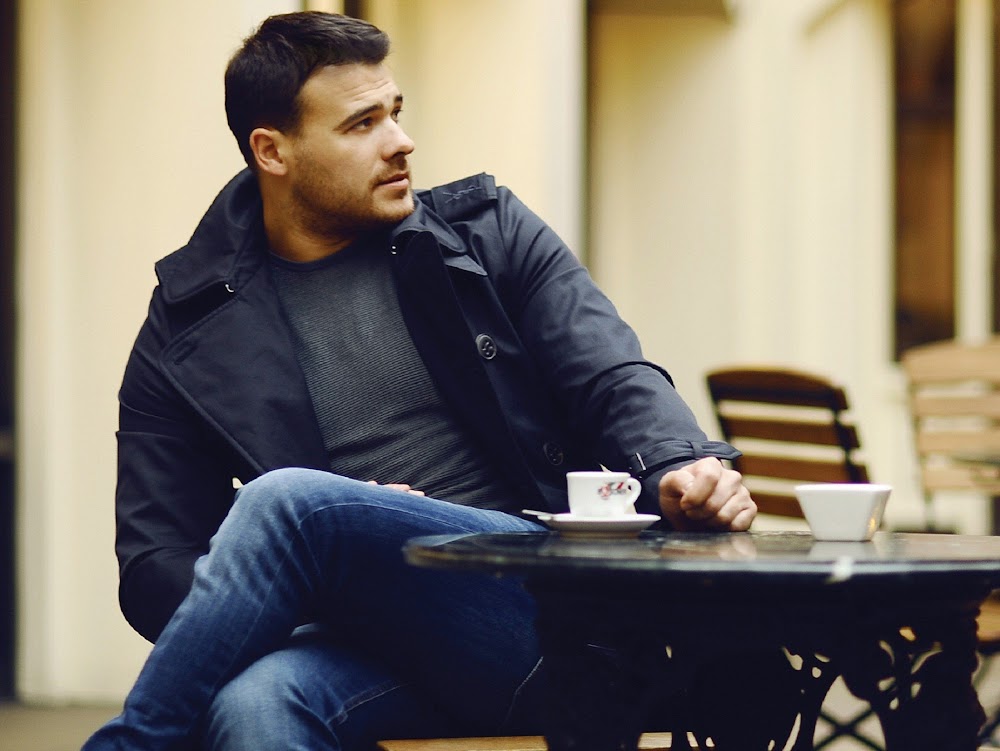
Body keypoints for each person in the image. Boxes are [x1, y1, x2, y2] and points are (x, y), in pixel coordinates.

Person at [83, 10, 755, 751]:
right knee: (255, 704)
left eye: (395, 113)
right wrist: (335, 559)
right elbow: (153, 563)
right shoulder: (189, 323)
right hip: (363, 642)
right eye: (362, 124)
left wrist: (677, 464)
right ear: (272, 151)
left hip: (546, 620)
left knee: (291, 502)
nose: (400, 141)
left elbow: (612, 374)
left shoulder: (487, 232)